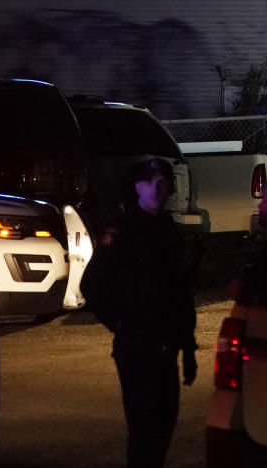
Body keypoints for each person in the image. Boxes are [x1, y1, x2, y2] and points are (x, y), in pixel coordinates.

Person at [83, 157, 197, 468]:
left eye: (166, 184)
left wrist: (188, 349)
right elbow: (92, 284)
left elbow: (181, 294)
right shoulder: (122, 231)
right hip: (136, 347)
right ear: (138, 187)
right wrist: (120, 322)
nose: (162, 190)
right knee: (144, 428)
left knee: (164, 424)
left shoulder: (170, 233)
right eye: (155, 183)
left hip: (165, 346)